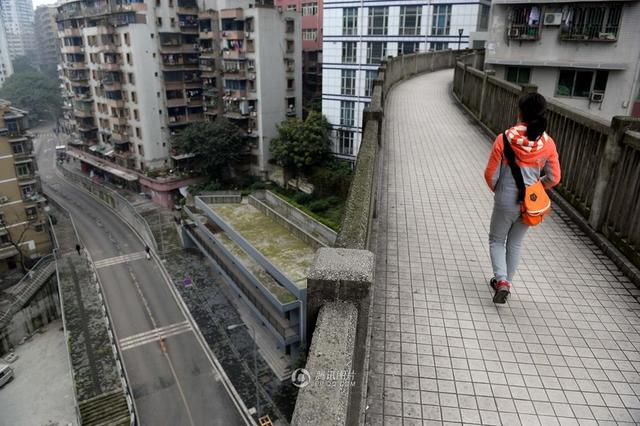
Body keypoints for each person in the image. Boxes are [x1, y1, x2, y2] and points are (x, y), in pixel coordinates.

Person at [484, 93, 561, 304]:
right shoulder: (548, 143)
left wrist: (498, 190)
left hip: (505, 198)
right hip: (530, 202)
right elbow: (554, 178)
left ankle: (502, 282)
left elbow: (491, 174)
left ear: (520, 112)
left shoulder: (504, 138)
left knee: (497, 240)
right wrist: (537, 187)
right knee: (515, 243)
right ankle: (505, 282)